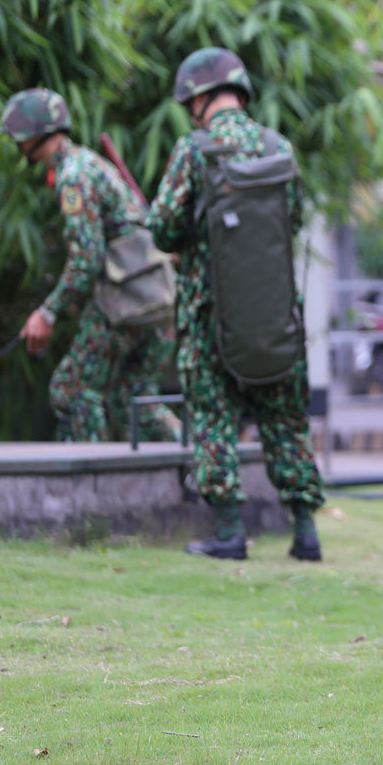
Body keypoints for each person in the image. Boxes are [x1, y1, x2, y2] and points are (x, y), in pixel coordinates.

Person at [146, 47, 324, 562]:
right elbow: (291, 220)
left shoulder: (195, 149)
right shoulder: (277, 146)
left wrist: (189, 241)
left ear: (196, 98)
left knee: (213, 416)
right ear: (239, 91)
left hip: (209, 317)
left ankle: (228, 533)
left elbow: (161, 227)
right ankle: (305, 532)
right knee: (285, 417)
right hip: (274, 313)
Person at [0, 89, 180, 444]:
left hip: (124, 300)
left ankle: (91, 491)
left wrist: (47, 314)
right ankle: (204, 464)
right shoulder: (91, 162)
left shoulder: (73, 177)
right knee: (136, 399)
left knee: (72, 389)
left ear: (31, 135)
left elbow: (86, 260)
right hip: (157, 297)